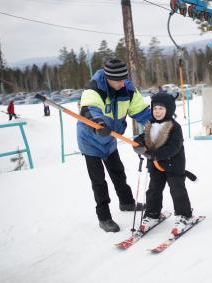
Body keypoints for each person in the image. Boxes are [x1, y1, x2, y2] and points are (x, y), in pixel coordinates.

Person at [77, 58, 151, 233]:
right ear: (107, 77)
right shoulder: (94, 88)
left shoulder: (128, 90)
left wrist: (157, 123)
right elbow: (89, 110)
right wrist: (99, 122)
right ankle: (104, 217)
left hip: (109, 138)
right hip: (91, 138)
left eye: (123, 79)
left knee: (118, 172)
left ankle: (126, 202)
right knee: (99, 181)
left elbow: (141, 111)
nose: (120, 83)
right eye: (116, 80)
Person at [132, 92, 194, 237]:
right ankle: (153, 213)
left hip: (173, 165)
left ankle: (184, 215)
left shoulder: (174, 127)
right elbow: (141, 138)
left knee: (177, 189)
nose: (157, 112)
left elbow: (174, 146)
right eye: (155, 109)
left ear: (169, 109)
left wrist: (156, 154)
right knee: (153, 189)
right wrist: (138, 144)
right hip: (155, 166)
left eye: (161, 108)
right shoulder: (150, 125)